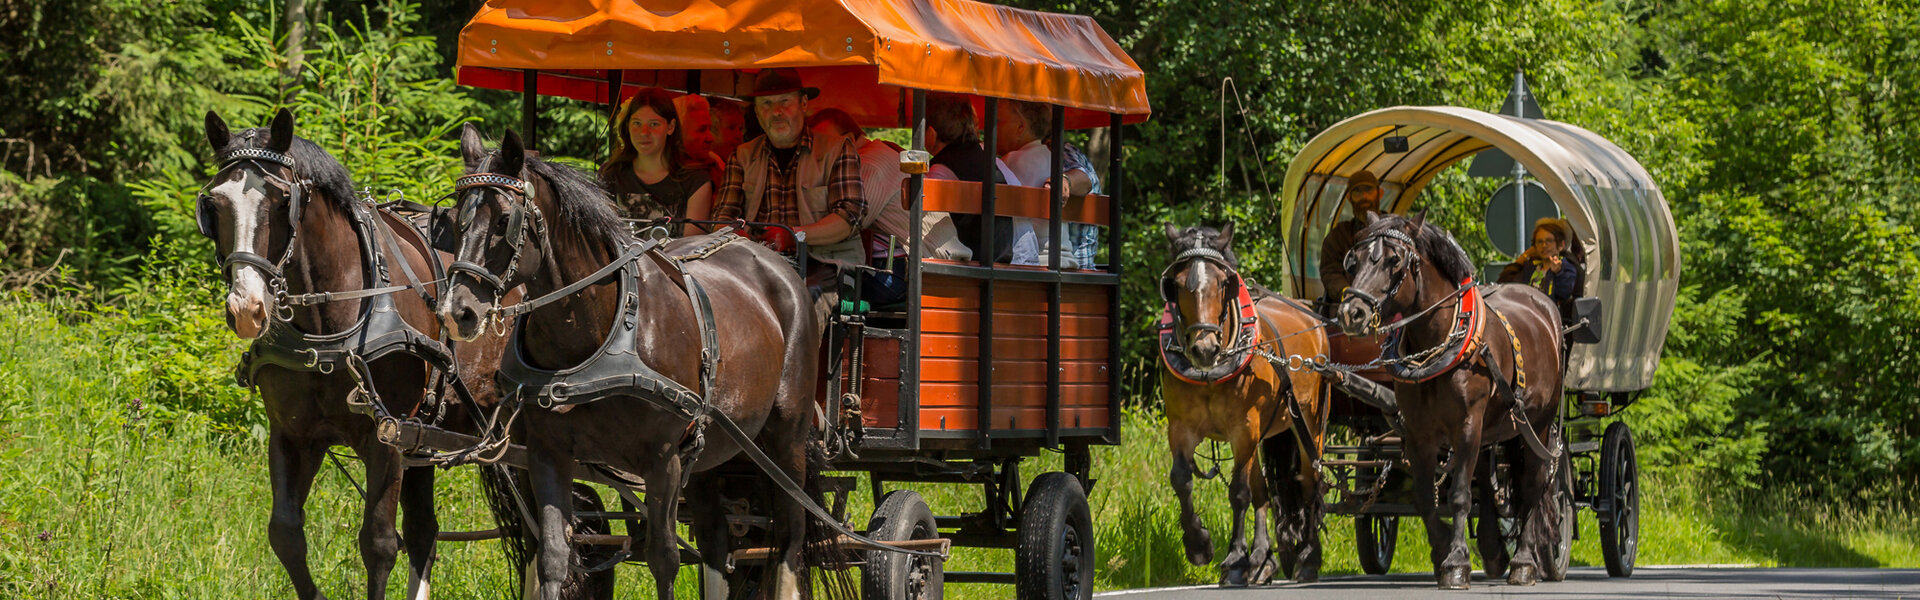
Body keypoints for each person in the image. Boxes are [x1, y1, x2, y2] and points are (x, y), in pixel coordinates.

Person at [709, 68, 867, 264]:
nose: (776, 112)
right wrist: (736, 234)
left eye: (784, 101)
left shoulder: (838, 150)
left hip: (824, 265)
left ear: (803, 103)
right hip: (757, 264)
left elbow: (849, 217)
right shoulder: (741, 156)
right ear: (757, 112)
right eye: (766, 104)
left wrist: (794, 235)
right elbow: (722, 216)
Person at [600, 88, 713, 236]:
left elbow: (692, 248)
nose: (644, 132)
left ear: (670, 127)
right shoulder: (611, 175)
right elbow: (604, 237)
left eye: (654, 124)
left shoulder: (696, 181)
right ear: (627, 125)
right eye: (637, 123)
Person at [924, 93, 1021, 262]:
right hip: (1011, 258)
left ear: (931, 134)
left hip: (978, 265)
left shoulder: (941, 169)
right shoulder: (990, 157)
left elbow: (927, 226)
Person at [995, 100, 1078, 268]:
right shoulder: (1053, 159)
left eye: (999, 122)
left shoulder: (1012, 161)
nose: (993, 129)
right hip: (1065, 259)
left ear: (1020, 127)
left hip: (1037, 261)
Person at [1499, 218, 1583, 321]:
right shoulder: (1531, 267)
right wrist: (1524, 257)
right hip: (1526, 319)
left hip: (1551, 323)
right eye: (1539, 242)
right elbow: (1509, 286)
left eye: (1549, 241)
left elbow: (1564, 293)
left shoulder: (1566, 266)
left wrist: (1558, 272)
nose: (1544, 246)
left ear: (1561, 245)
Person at [1318, 169, 1382, 301]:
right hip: (1349, 307)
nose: (1364, 196)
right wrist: (1348, 294)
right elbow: (1330, 272)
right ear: (1349, 197)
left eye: (1368, 190)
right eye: (1357, 191)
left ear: (1379, 193)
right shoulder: (1338, 236)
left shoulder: (1394, 229)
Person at [673, 94, 726, 185]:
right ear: (677, 133)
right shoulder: (657, 171)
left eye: (710, 129)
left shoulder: (715, 164)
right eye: (702, 130)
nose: (710, 138)